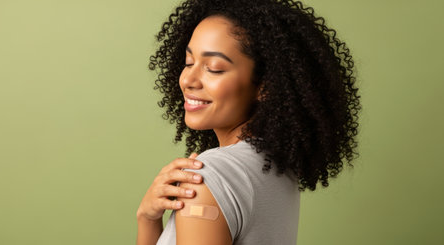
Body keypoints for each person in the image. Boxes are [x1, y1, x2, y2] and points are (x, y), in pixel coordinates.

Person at [136, 0, 361, 244]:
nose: (188, 79)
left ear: (265, 86)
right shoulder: (275, 169)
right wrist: (148, 218)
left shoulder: (205, 179)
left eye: (214, 68)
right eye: (189, 62)